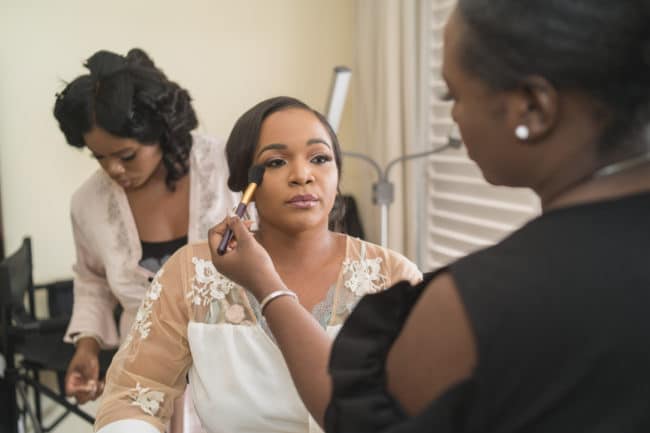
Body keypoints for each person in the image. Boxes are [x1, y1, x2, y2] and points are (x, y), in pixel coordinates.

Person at [210, 1, 650, 431]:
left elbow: (352, 419)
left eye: (453, 95)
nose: (453, 118)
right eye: (276, 162)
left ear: (533, 109)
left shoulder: (469, 306)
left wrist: (267, 287)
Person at [93, 96, 421, 433]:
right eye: (276, 162)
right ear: (243, 182)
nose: (302, 175)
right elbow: (134, 395)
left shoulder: (393, 278)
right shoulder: (193, 274)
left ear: (337, 176)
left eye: (320, 158)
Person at [53, 48, 238, 430]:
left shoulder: (227, 170)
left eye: (126, 155)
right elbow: (92, 280)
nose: (113, 169)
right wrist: (87, 347)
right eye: (99, 157)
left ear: (161, 133)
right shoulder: (88, 204)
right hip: (143, 380)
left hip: (235, 370)